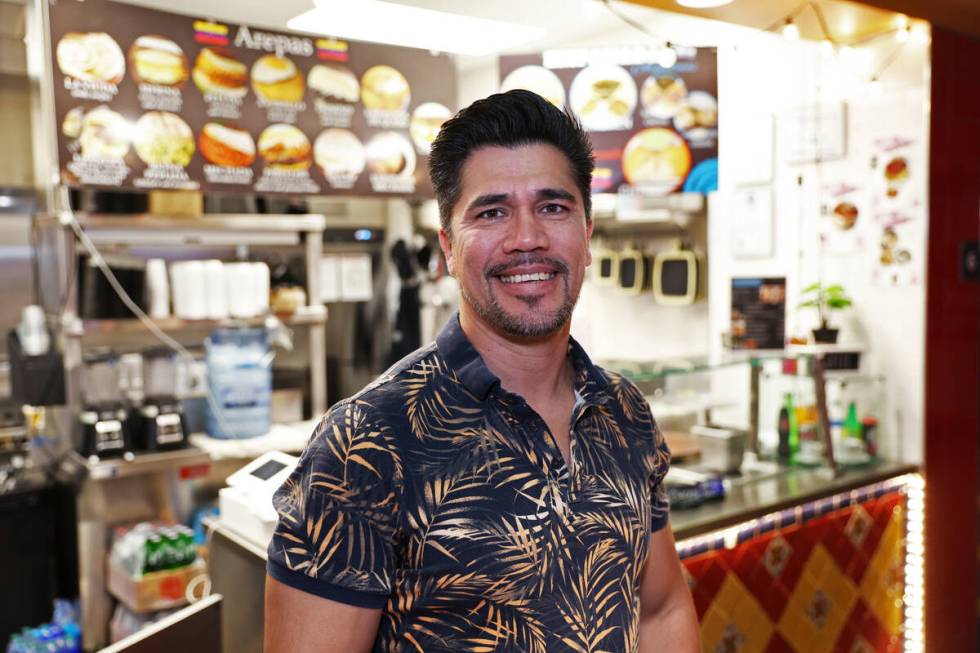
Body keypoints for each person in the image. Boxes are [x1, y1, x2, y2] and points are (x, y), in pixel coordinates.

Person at [265, 89, 700, 653]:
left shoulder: (624, 412)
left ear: (587, 235)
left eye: (553, 206)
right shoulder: (365, 443)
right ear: (448, 246)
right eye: (492, 211)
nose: (527, 238)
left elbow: (662, 608)